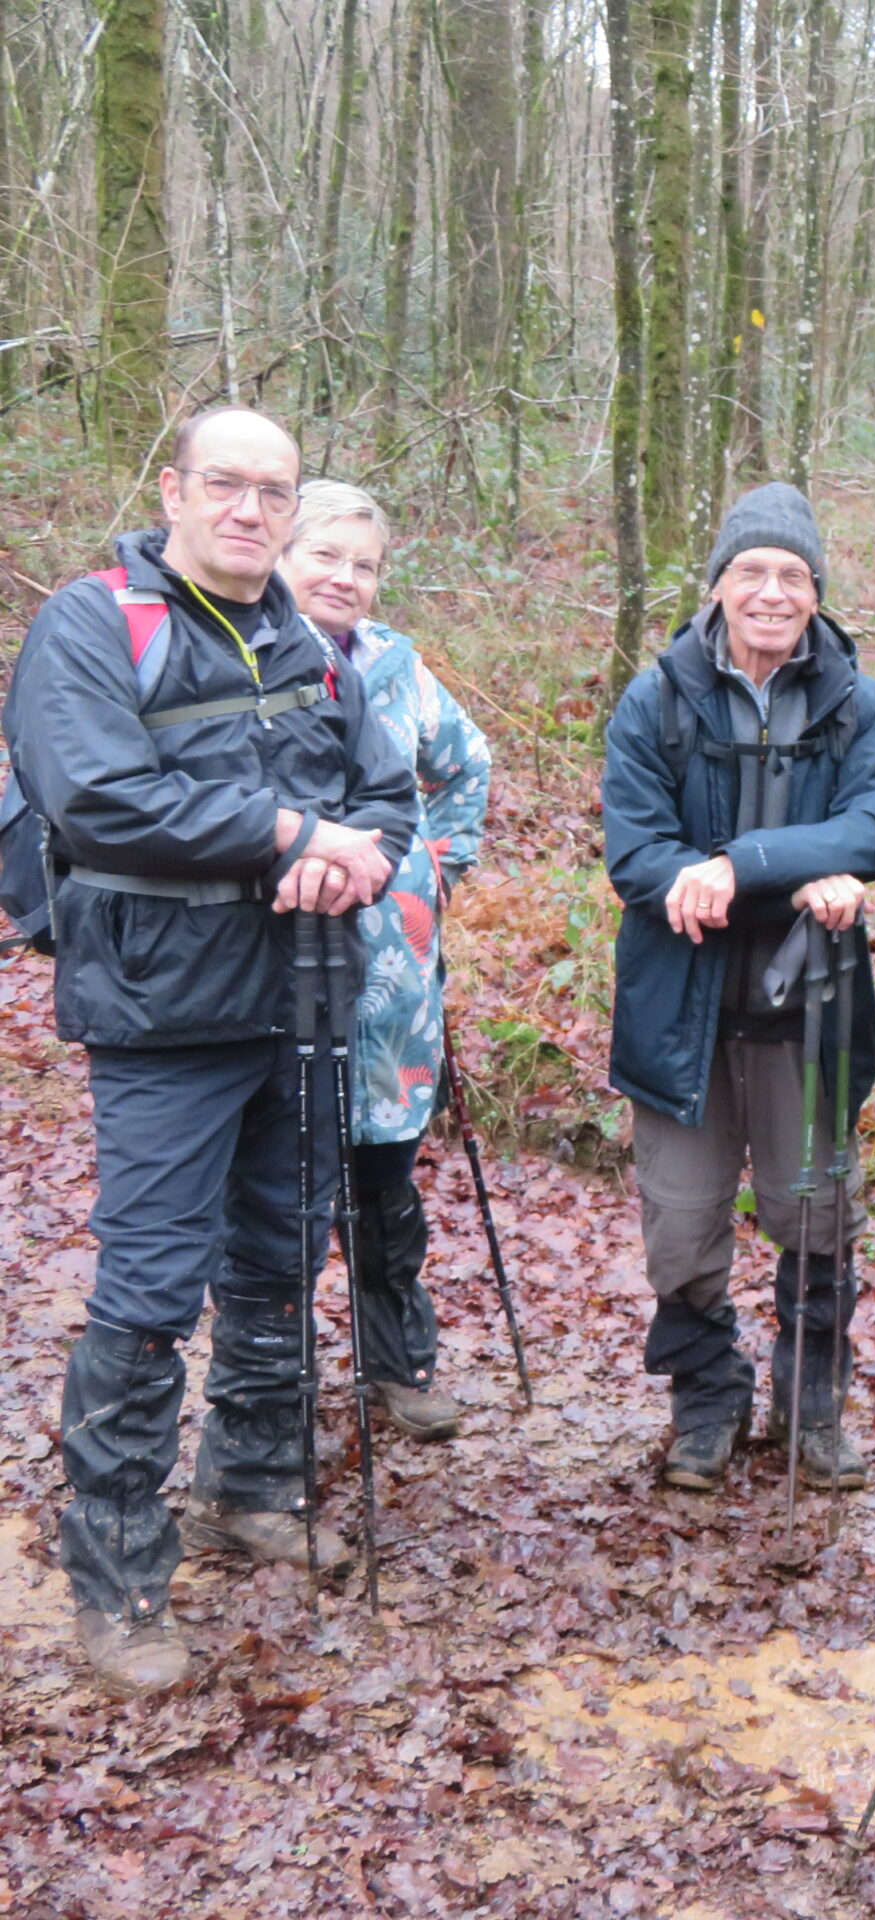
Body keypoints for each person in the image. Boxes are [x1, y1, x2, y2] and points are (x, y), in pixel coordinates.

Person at [3, 406, 416, 1695]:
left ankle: (252, 1485)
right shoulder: (92, 625)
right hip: (161, 1012)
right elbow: (97, 799)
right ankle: (120, 1575)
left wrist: (352, 859)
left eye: (273, 491)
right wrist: (292, 835)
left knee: (283, 1253)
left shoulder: (313, 644)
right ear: (174, 490)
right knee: (150, 1287)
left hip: (303, 994)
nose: (249, 509)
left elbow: (387, 797)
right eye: (226, 484)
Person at [602, 482, 875, 1492]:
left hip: (809, 1011)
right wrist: (738, 876)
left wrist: (739, 866)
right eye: (751, 571)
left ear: (816, 591)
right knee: (682, 1226)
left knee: (816, 1217)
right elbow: (635, 851)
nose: (772, 592)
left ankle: (810, 1408)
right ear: (718, 585)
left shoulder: (857, 703)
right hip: (677, 1010)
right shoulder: (656, 698)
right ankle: (706, 1402)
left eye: (792, 574)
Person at [278, 481, 493, 1442]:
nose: (345, 578)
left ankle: (397, 1365)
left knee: (385, 1184)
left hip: (395, 985)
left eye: (363, 564)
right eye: (325, 555)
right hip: (281, 972)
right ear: (281, 555)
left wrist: (435, 868)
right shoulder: (244, 657)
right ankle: (271, 1390)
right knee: (281, 1196)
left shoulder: (399, 665)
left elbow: (465, 763)